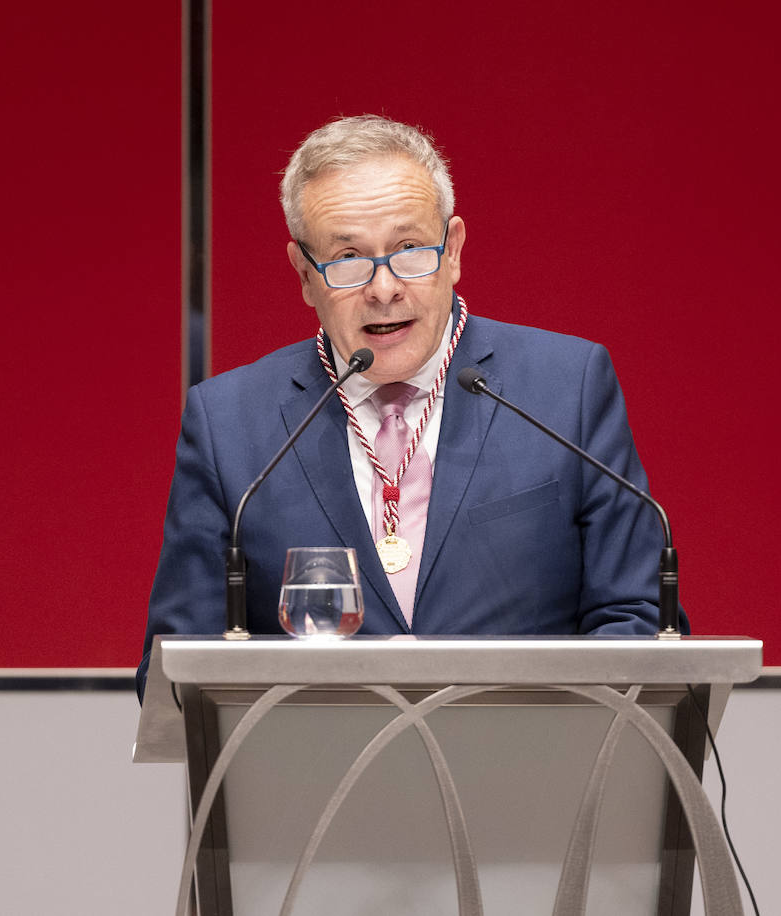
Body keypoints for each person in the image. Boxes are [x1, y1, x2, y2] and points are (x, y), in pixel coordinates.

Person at [137, 115, 678, 699]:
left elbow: (637, 622)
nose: (384, 287)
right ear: (303, 275)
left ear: (453, 251)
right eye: (347, 258)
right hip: (313, 778)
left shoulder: (564, 389)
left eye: (409, 250)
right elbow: (177, 669)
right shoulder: (230, 424)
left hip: (530, 772)